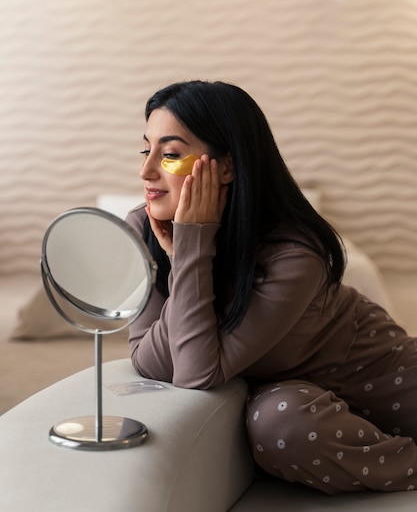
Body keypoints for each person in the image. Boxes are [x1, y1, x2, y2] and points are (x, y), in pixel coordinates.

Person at [127, 79, 417, 495]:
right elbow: (170, 369)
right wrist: (185, 254)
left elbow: (187, 366)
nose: (146, 170)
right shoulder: (144, 230)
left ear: (226, 166)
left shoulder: (296, 254)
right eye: (146, 149)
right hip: (296, 398)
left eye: (170, 154)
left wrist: (190, 242)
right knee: (279, 425)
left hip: (378, 372)